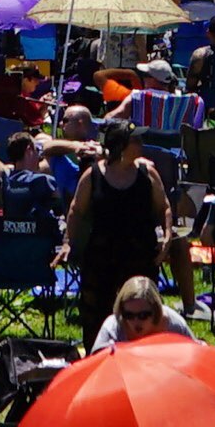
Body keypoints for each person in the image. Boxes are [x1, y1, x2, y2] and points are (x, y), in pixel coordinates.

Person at [67, 120, 174, 346]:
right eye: (136, 140)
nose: (142, 144)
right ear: (121, 146)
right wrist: (69, 242)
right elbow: (76, 210)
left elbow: (164, 206)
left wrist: (166, 237)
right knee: (96, 314)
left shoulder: (148, 173)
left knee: (143, 311)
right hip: (102, 256)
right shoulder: (93, 175)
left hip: (139, 255)